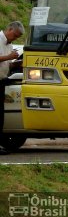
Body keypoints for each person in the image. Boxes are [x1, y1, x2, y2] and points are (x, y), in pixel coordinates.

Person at [0, 21, 25, 155]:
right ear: (9, 29)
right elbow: (4, 59)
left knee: (0, 116)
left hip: (2, 81)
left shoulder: (9, 45)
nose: (14, 39)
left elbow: (6, 65)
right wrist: (9, 57)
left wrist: (16, 64)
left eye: (17, 37)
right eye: (14, 35)